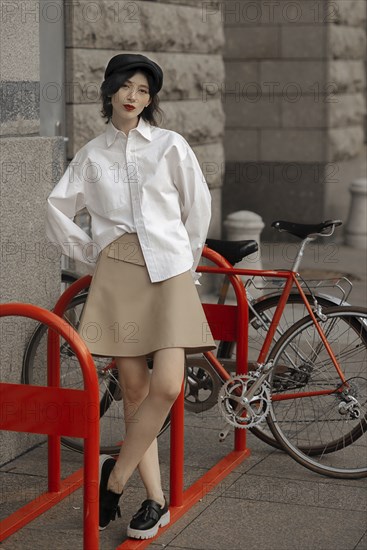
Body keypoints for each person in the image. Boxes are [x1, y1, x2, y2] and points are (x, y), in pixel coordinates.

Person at [46, 53, 216, 540]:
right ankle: (155, 501)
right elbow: (56, 209)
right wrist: (93, 252)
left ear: (149, 100)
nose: (133, 96)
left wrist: (186, 258)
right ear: (109, 91)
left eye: (143, 91)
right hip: (118, 274)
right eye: (126, 86)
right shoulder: (92, 155)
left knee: (168, 386)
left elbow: (196, 204)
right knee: (136, 393)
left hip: (168, 271)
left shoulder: (170, 146)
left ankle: (114, 478)